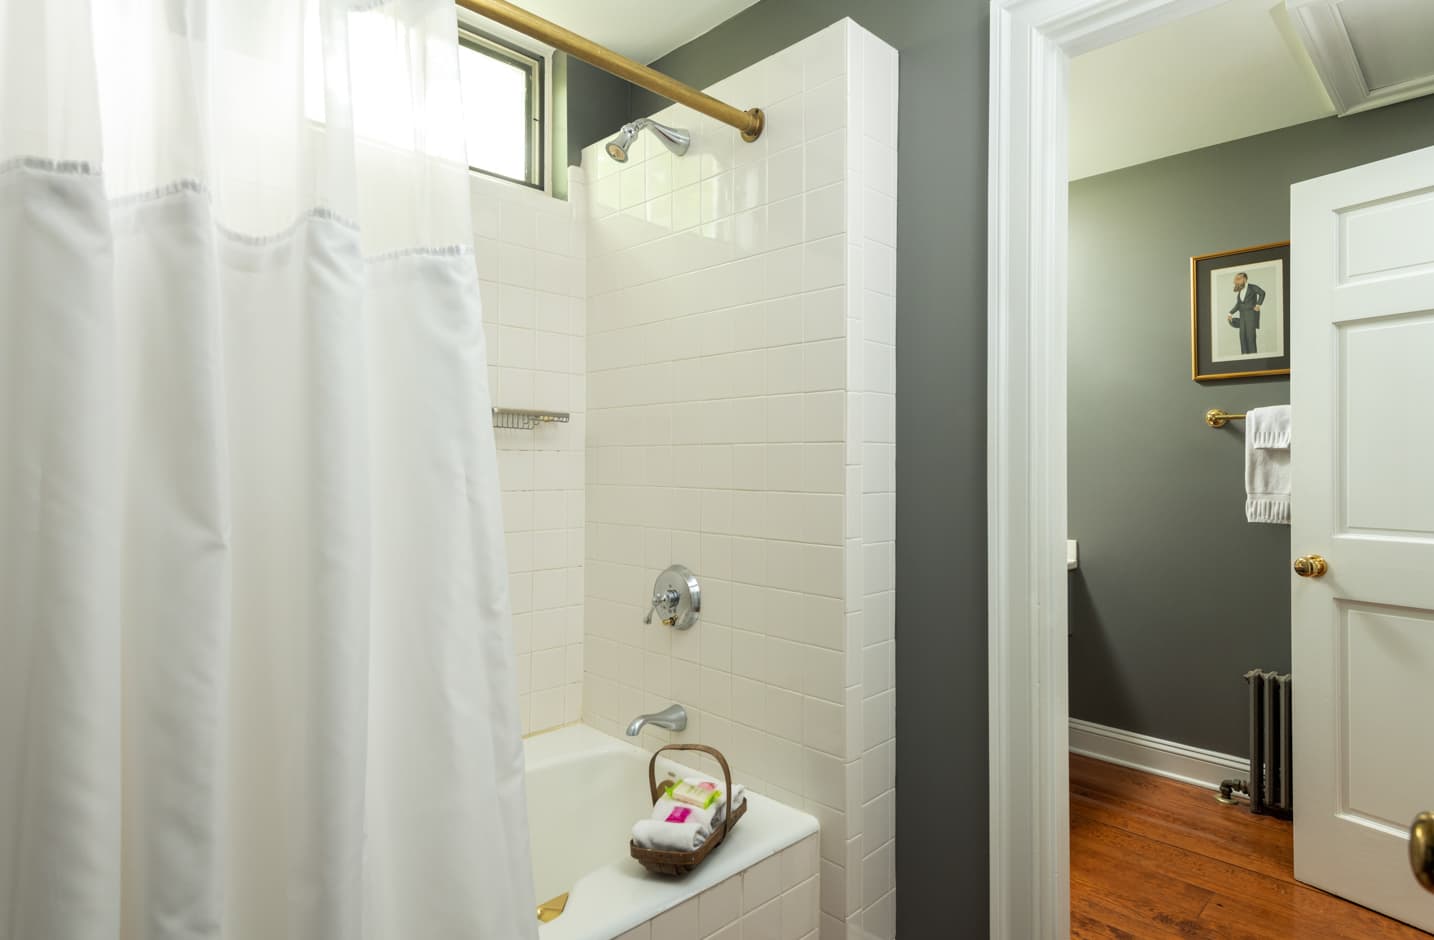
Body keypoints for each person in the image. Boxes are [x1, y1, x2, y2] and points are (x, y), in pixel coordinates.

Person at [1227, 272, 1266, 354]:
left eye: (1238, 279)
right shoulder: (1240, 291)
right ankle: (1244, 357)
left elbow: (1262, 293)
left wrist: (1258, 304)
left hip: (1251, 315)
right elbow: (1238, 304)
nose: (1236, 282)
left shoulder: (1252, 287)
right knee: (1242, 337)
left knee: (1250, 337)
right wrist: (1230, 313)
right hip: (1242, 317)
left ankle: (1253, 357)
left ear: (1244, 279)